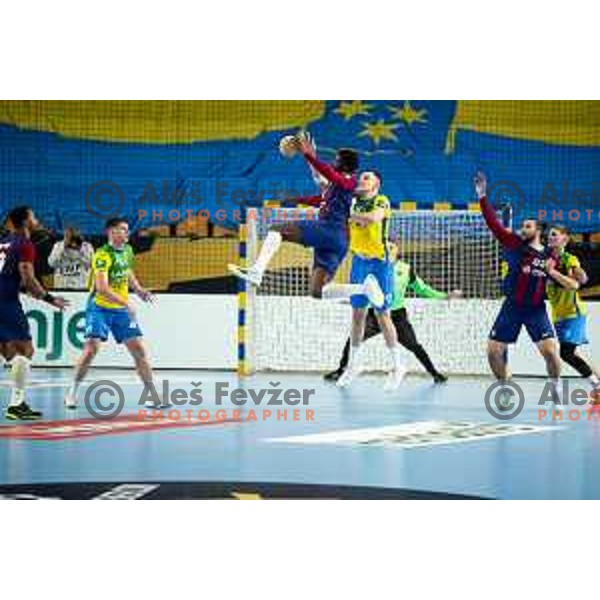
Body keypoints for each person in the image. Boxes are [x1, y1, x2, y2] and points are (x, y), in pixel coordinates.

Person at [229, 132, 382, 303]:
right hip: (337, 242)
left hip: (331, 229)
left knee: (277, 229)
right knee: (318, 291)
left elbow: (328, 174)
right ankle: (364, 289)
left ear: (345, 164)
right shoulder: (337, 187)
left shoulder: (349, 182)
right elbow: (320, 198)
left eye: (336, 160)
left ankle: (257, 271)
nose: (333, 162)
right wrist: (297, 199)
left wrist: (309, 155)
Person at [475, 172, 563, 405]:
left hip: (535, 309)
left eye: (528, 226)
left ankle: (554, 387)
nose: (523, 230)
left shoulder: (549, 255)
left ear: (538, 231)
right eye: (522, 226)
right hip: (512, 307)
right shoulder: (514, 244)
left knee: (551, 353)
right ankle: (505, 384)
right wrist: (482, 196)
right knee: (493, 352)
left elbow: (566, 276)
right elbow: (493, 224)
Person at [325, 237, 463, 383]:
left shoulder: (405, 269)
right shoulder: (374, 266)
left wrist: (444, 296)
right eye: (387, 247)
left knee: (414, 345)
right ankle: (341, 370)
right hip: (374, 313)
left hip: (397, 316)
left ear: (398, 250)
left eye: (392, 247)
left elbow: (422, 289)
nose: (389, 249)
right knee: (353, 338)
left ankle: (435, 373)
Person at [64, 217, 165, 409]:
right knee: (91, 350)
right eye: (123, 229)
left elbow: (127, 272)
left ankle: (152, 396)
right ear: (111, 232)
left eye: (128, 230)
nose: (127, 233)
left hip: (120, 310)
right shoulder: (102, 255)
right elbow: (101, 287)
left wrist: (139, 290)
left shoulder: (127, 250)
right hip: (99, 307)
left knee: (139, 351)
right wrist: (127, 304)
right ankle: (71, 393)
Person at [318, 171, 406, 390]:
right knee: (357, 314)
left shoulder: (381, 201)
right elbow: (323, 185)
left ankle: (398, 366)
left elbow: (373, 218)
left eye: (367, 178)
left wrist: (345, 213)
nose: (361, 180)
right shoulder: (352, 200)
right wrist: (310, 157)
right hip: (359, 262)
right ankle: (353, 365)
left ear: (377, 183)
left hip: (380, 263)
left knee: (382, 314)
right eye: (361, 177)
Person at [0, 206, 69, 420]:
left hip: (6, 297)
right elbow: (28, 279)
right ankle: (16, 405)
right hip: (4, 302)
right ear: (25, 221)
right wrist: (49, 298)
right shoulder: (25, 244)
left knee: (9, 351)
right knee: (25, 350)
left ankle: (17, 404)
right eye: (33, 216)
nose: (36, 220)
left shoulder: (4, 242)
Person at [545, 224, 600, 403]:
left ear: (565, 239)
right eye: (549, 235)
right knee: (574, 353)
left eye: (555, 235)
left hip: (573, 313)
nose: (551, 237)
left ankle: (597, 387)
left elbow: (578, 281)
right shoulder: (545, 258)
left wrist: (555, 272)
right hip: (558, 315)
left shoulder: (569, 259)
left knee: (566, 353)